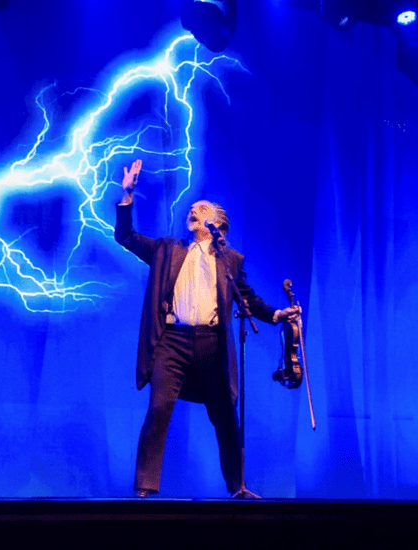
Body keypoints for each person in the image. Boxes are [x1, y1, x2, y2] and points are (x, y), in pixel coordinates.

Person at [114, 159, 299, 497]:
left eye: (200, 209)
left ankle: (238, 486)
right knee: (158, 408)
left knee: (225, 414)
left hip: (212, 344)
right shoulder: (167, 250)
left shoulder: (230, 259)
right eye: (191, 209)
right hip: (172, 341)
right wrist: (127, 196)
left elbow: (246, 297)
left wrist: (275, 314)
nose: (192, 211)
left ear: (217, 223)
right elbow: (126, 236)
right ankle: (144, 488)